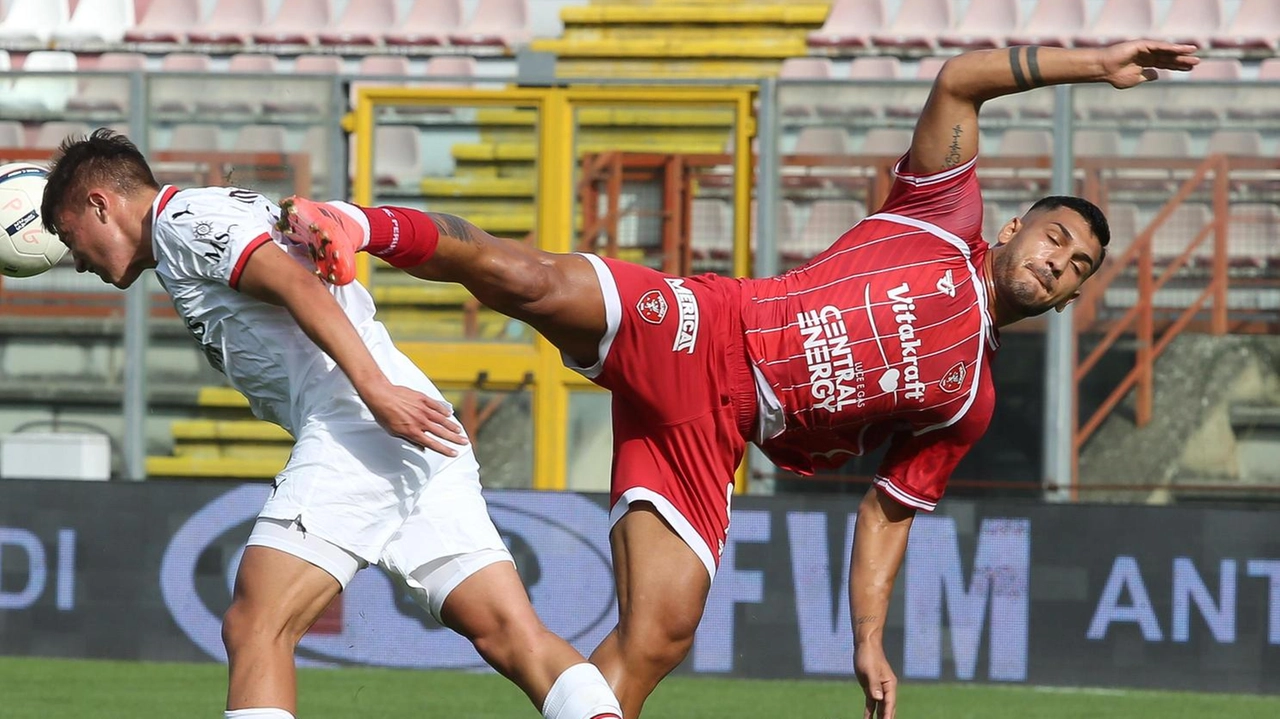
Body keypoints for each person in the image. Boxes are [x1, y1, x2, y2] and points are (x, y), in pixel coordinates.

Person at [279, 41, 1199, 719]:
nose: (1061, 263)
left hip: (714, 439)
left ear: (1074, 295)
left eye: (1079, 267)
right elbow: (960, 77)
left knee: (659, 638)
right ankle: (361, 225)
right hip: (705, 329)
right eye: (1055, 239)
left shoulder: (969, 399)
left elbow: (887, 510)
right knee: (530, 279)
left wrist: (870, 639)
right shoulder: (938, 211)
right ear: (1010, 230)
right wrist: (1094, 63)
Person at [40, 130, 624, 719]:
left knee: (256, 626)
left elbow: (294, 284)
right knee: (511, 634)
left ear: (99, 203)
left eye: (69, 237)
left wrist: (375, 393)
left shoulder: (181, 222)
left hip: (362, 419)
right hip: (409, 428)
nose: (76, 258)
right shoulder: (203, 217)